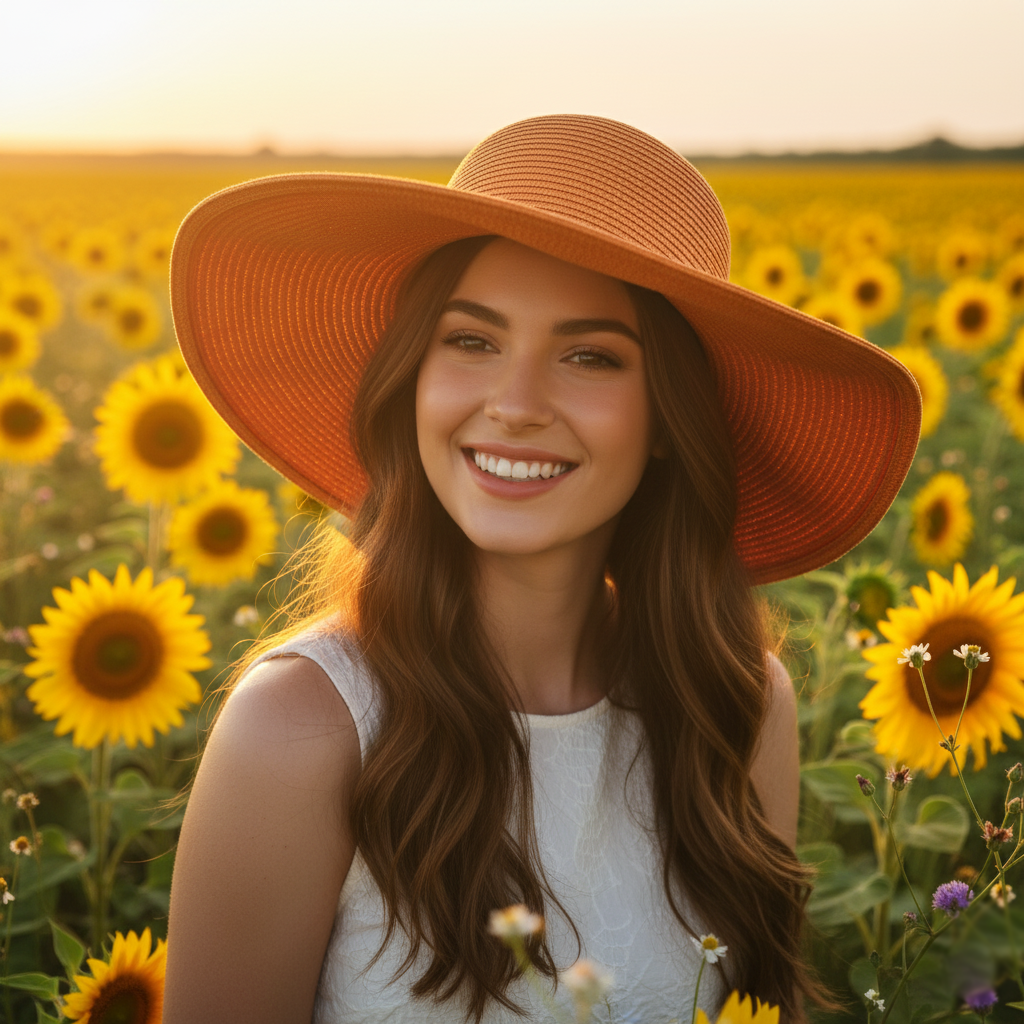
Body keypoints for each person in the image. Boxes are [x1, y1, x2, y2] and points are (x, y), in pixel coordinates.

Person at [162, 115, 921, 1024]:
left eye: (589, 356)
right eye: (471, 341)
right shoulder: (300, 732)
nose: (515, 405)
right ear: (411, 379)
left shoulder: (739, 708)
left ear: (670, 422)